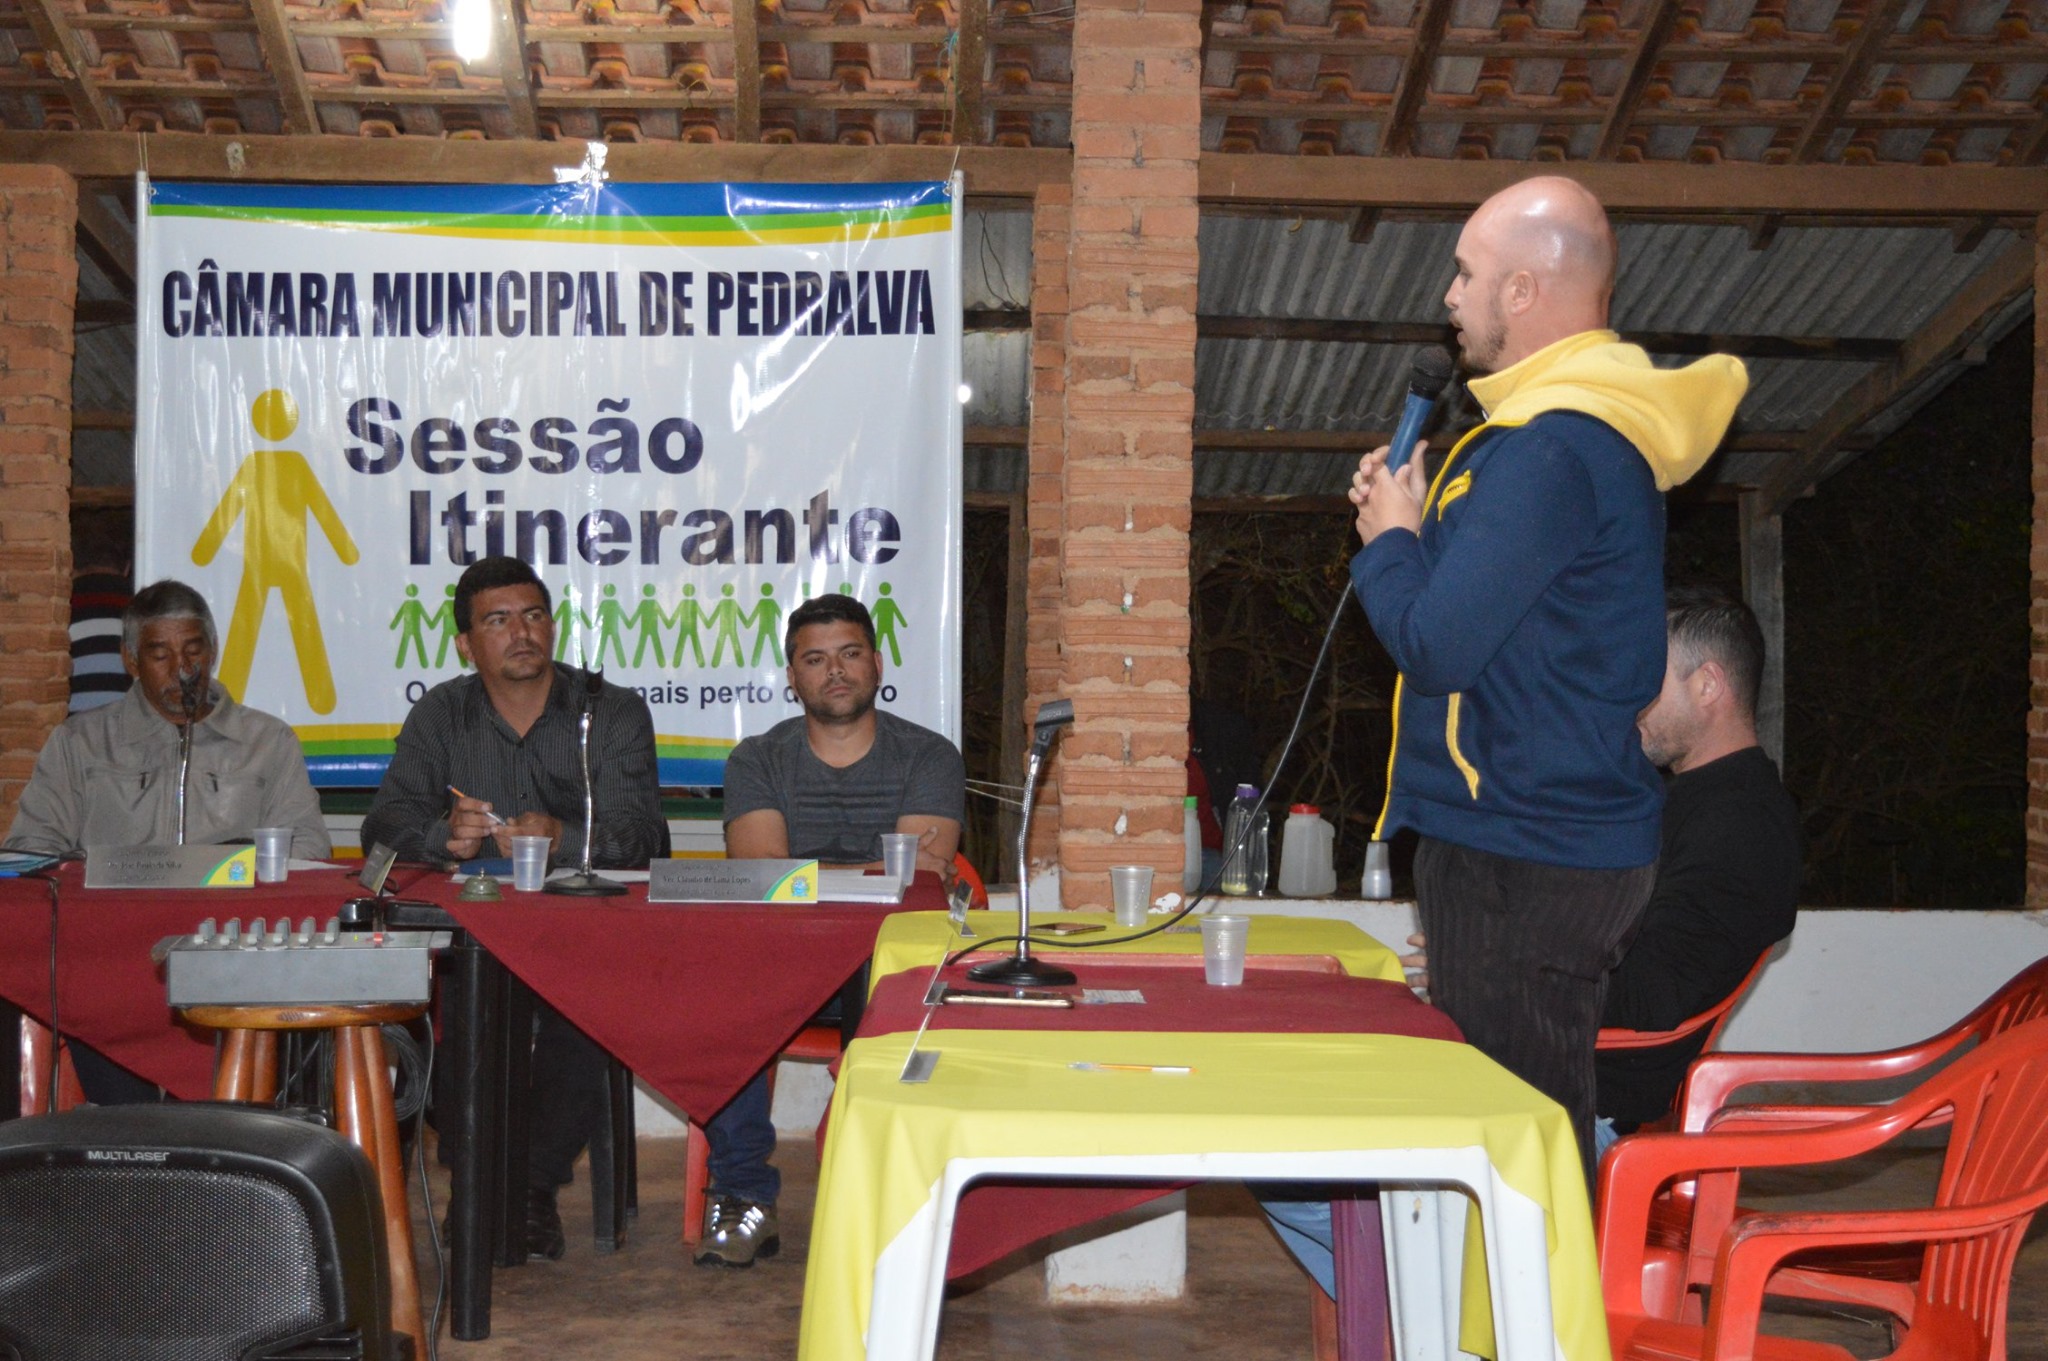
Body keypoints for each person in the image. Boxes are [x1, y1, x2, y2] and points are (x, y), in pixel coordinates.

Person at [1343, 174, 1747, 1182]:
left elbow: (1438, 645)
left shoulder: (1553, 449)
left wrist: (1389, 542)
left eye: (1465, 273)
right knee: (1508, 1130)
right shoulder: (1553, 441)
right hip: (1525, 840)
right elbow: (1496, 627)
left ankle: (1549, 1287)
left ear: (1521, 291)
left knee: (1515, 1147)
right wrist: (1414, 522)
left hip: (1525, 849)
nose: (1449, 295)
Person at [359, 556, 663, 1261]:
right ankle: (479, 1181)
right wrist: (444, 835)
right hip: (477, 931)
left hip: (585, 934)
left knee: (585, 1015)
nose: (521, 633)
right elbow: (385, 826)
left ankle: (522, 1190)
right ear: (466, 643)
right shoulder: (443, 713)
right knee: (453, 1012)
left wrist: (566, 838)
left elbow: (644, 837)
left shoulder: (609, 711)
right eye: (498, 621)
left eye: (533, 616)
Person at [709, 592, 965, 1268]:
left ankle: (889, 1198)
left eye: (850, 654)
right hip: (784, 966)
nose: (836, 671)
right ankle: (742, 1193)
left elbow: (919, 878)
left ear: (877, 663)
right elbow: (760, 872)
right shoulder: (757, 758)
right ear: (792, 677)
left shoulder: (928, 755)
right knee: (715, 994)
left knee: (924, 999)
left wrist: (804, 872)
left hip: (892, 968)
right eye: (815, 659)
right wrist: (870, 870)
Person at [5, 578, 330, 1104]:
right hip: (111, 966)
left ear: (213, 651)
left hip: (233, 965)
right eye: (160, 655)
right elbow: (32, 850)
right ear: (130, 661)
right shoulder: (82, 742)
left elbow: (309, 850)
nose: (183, 669)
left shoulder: (266, 742)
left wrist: (234, 865)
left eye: (194, 650)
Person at [1595, 586, 1802, 1155]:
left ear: (1707, 684)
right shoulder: (1682, 800)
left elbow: (1649, 997)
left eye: (1647, 679)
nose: (1628, 699)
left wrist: (1497, 976)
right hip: (1564, 1077)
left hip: (1596, 1110)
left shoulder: (1745, 825)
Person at [68, 507, 133, 714]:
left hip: (72, 729)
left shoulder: (60, 610)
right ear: (127, 567)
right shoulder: (143, 609)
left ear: (69, 564)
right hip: (132, 730)